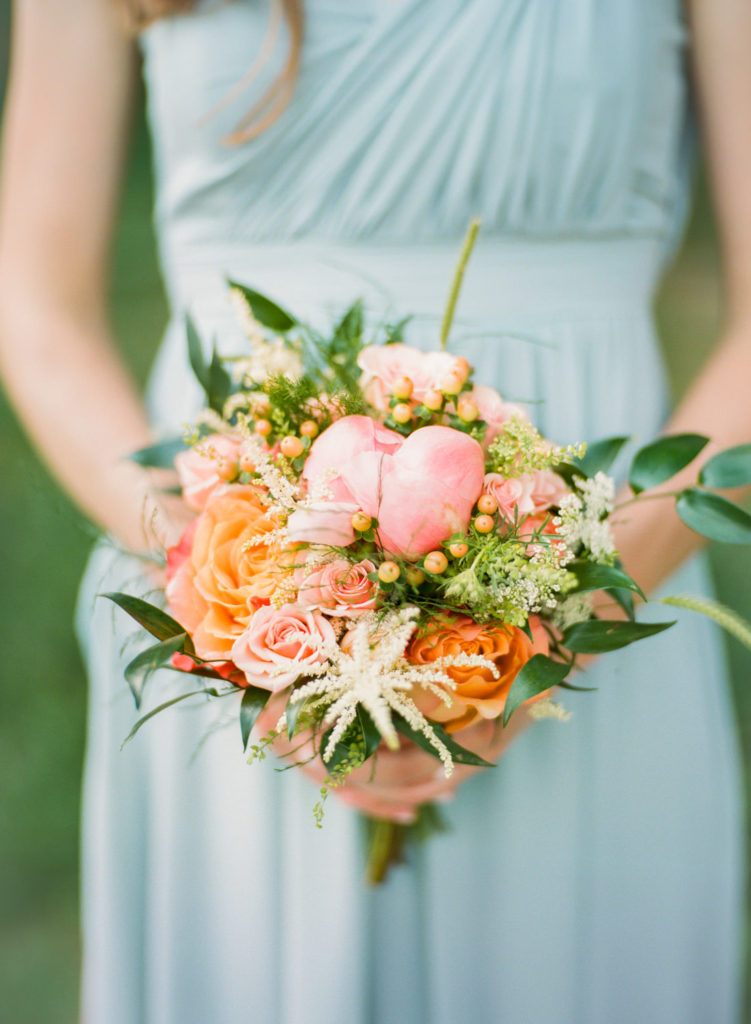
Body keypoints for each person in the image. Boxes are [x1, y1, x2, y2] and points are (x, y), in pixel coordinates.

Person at [0, 1, 749, 1021]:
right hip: (233, 635)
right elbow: (35, 303)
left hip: (610, 588)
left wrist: (558, 621)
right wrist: (236, 597)